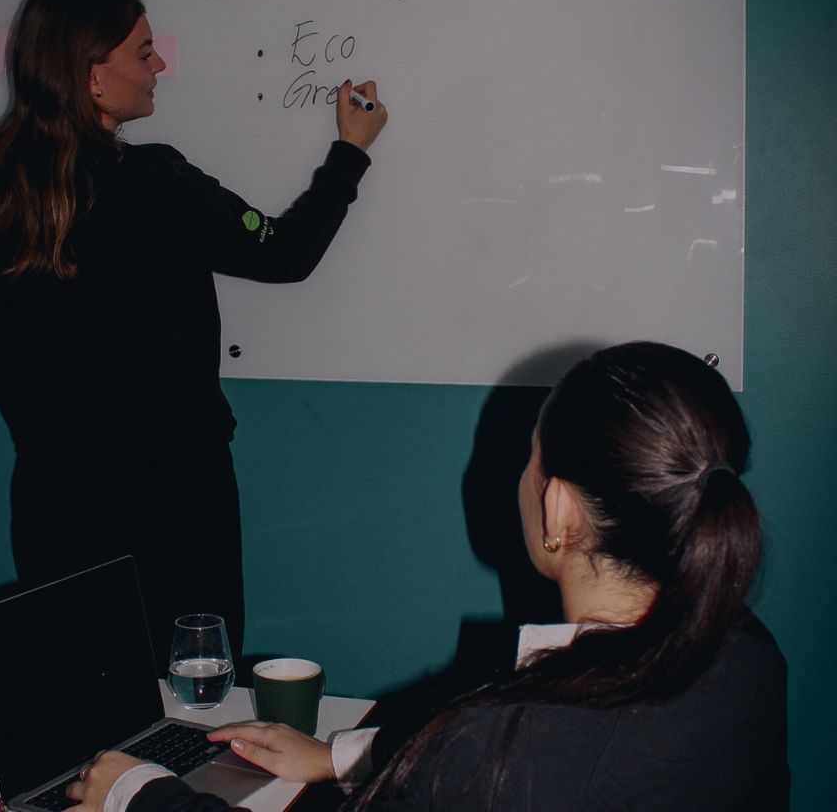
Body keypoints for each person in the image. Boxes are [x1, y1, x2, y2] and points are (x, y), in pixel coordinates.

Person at [67, 341, 789, 811]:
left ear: (558, 509)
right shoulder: (748, 658)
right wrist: (346, 756)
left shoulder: (501, 753)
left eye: (531, 455)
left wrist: (138, 794)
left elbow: (485, 768)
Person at [0, 0, 387, 669]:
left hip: (55, 503)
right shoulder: (152, 182)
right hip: (174, 505)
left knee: (80, 694)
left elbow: (8, 374)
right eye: (143, 52)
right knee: (190, 701)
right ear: (93, 77)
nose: (159, 66)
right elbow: (285, 252)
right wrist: (352, 150)